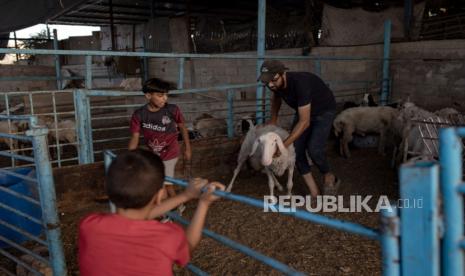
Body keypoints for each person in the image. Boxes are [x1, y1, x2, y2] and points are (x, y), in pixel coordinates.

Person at [79, 149, 224, 276]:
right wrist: (204, 204)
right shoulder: (168, 236)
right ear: (161, 195)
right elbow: (189, 246)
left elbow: (132, 220)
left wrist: (185, 196)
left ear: (108, 189)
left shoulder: (89, 225)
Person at [258, 60, 340, 196]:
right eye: (267, 82)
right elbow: (277, 98)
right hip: (304, 110)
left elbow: (304, 122)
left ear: (282, 73)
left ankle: (328, 175)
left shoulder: (301, 83)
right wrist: (273, 120)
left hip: (323, 111)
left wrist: (283, 146)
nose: (270, 84)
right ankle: (314, 193)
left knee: (314, 148)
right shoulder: (274, 84)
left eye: (273, 80)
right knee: (297, 150)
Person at [128, 78, 191, 214]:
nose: (165, 99)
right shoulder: (139, 115)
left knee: (162, 184)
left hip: (170, 152)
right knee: (167, 185)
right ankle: (178, 206)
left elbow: (183, 127)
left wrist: (187, 148)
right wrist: (129, 158)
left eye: (166, 95)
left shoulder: (172, 110)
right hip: (154, 154)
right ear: (148, 96)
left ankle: (167, 213)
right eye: (160, 95)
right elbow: (135, 137)